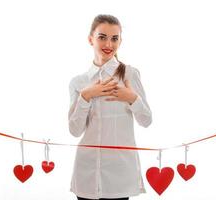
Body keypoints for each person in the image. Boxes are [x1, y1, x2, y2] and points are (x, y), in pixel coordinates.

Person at [68, 14, 152, 200]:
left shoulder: (129, 74)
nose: (109, 44)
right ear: (90, 39)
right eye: (102, 37)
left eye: (115, 38)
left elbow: (146, 120)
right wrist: (86, 95)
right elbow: (75, 130)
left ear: (120, 41)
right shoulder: (78, 82)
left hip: (119, 176)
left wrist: (131, 98)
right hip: (86, 174)